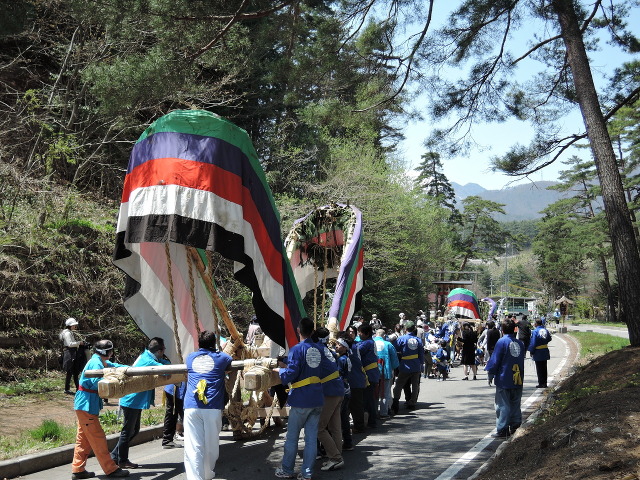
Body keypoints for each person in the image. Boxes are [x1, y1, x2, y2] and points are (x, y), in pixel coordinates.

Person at [71, 339, 130, 479]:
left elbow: (113, 366)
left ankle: (78, 469)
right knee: (98, 438)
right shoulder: (96, 363)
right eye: (111, 351)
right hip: (86, 405)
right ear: (108, 352)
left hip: (85, 404)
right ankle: (110, 469)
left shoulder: (99, 360)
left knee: (83, 440)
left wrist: (127, 369)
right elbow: (96, 383)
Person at [275, 317, 323, 480]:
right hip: (317, 398)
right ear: (312, 331)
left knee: (292, 437)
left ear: (298, 331)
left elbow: (291, 373)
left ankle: (287, 470)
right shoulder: (319, 348)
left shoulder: (296, 349)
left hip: (301, 399)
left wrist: (280, 372)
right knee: (311, 439)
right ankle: (307, 473)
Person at [110, 338, 169, 469]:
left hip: (135, 400)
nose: (164, 352)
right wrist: (167, 362)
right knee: (128, 431)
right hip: (131, 400)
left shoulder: (149, 356)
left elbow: (163, 364)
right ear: (159, 351)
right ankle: (122, 460)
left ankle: (114, 456)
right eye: (163, 350)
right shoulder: (148, 360)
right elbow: (165, 370)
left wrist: (164, 360)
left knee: (134, 431)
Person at [183, 330, 233, 480]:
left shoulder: (190, 357)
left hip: (191, 406)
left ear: (199, 344)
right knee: (211, 445)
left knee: (193, 446)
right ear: (214, 344)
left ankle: (195, 478)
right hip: (212, 408)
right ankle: (207, 473)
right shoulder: (222, 358)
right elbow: (229, 360)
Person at [485, 318, 525, 439]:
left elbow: (495, 360)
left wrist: (491, 373)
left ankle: (502, 429)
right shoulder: (520, 343)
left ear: (502, 330)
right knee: (515, 403)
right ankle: (515, 425)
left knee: (502, 405)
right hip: (517, 377)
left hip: (505, 377)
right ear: (514, 329)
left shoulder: (502, 342)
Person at [313, 327, 345, 472]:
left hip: (329, 392)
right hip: (338, 389)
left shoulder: (316, 350)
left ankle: (336, 458)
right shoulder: (329, 351)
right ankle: (337, 456)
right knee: (335, 428)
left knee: (319, 428)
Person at [391, 321, 424, 412]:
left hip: (405, 365)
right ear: (414, 329)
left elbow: (394, 349)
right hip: (416, 365)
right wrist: (421, 365)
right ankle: (412, 402)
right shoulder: (418, 340)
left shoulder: (402, 339)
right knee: (415, 385)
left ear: (405, 329)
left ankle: (396, 401)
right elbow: (421, 354)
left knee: (399, 385)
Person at [356, 324, 380, 428]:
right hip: (371, 373)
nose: (359, 334)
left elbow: (356, 351)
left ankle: (372, 421)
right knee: (368, 398)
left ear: (367, 334)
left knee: (368, 399)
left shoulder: (367, 343)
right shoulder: (368, 342)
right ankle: (371, 420)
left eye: (360, 332)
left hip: (369, 374)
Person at [373, 328, 399, 418]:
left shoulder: (371, 343)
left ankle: (374, 413)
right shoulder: (388, 344)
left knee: (374, 393)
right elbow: (395, 360)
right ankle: (383, 413)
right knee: (384, 393)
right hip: (385, 372)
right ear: (384, 335)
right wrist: (394, 368)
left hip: (372, 372)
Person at [334, 332, 353, 450]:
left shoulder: (341, 360)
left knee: (337, 418)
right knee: (344, 418)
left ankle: (336, 444)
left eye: (339, 345)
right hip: (347, 388)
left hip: (342, 389)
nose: (336, 346)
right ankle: (348, 442)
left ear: (345, 347)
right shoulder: (346, 358)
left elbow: (338, 374)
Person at [60, 317, 88, 394]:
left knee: (75, 371)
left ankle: (76, 388)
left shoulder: (69, 332)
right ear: (71, 325)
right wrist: (79, 343)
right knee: (70, 371)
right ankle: (67, 389)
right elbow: (70, 344)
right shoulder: (67, 333)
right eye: (74, 325)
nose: (75, 326)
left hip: (72, 352)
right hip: (69, 353)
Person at [528, 318, 552, 388]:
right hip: (545, 349)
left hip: (538, 351)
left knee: (539, 368)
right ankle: (545, 382)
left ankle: (541, 383)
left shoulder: (535, 331)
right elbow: (549, 338)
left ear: (536, 324)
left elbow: (533, 342)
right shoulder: (545, 330)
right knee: (544, 367)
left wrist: (531, 351)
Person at [162, 381, 186, 448]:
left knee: (172, 414)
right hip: (176, 390)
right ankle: (167, 440)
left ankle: (167, 440)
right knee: (173, 414)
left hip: (175, 389)